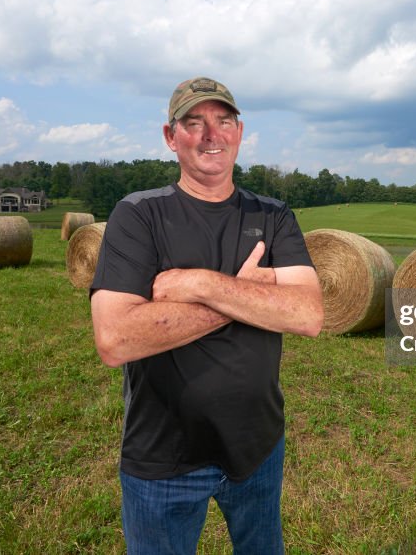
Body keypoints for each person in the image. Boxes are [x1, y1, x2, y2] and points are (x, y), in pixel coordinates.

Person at [90, 76, 324, 554]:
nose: (210, 135)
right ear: (170, 137)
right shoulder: (138, 216)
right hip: (164, 456)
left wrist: (197, 284)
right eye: (193, 123)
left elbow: (307, 314)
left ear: (239, 132)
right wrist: (247, 294)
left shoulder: (274, 214)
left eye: (223, 122)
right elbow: (116, 338)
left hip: (258, 446)